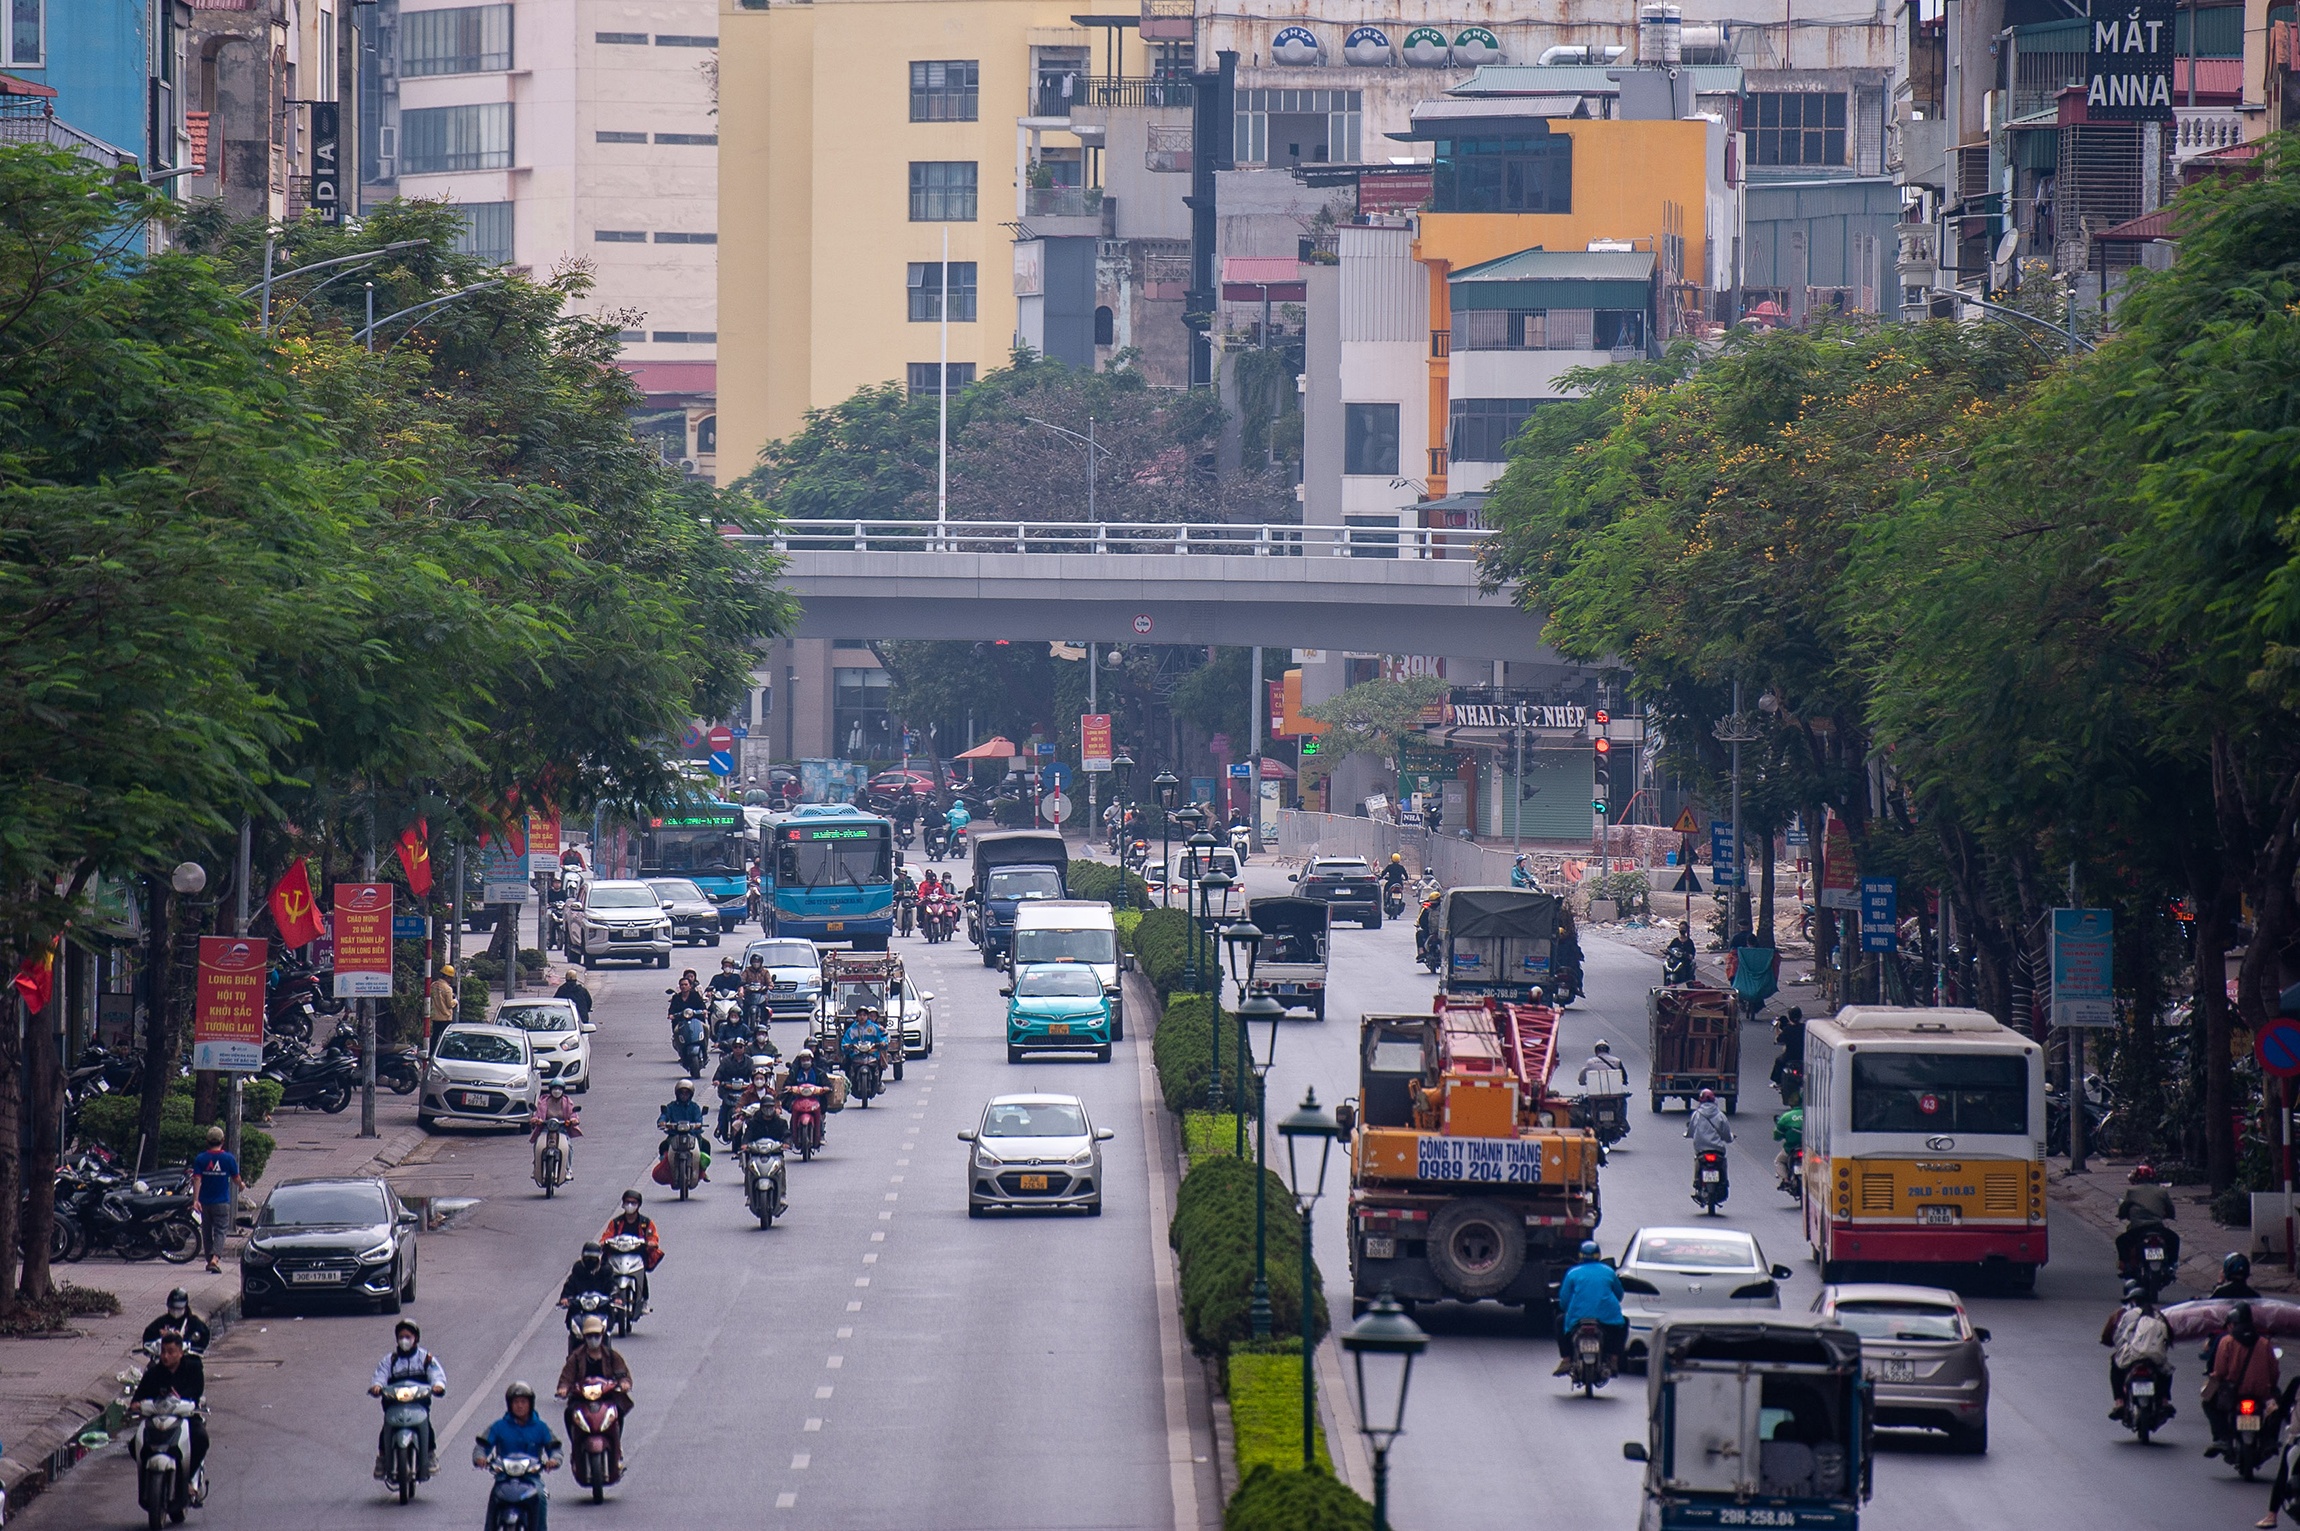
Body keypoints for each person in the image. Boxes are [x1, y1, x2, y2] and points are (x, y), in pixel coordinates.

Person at [473, 1381, 561, 1530]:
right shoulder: (499, 1426)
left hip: (531, 1479)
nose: (520, 1406)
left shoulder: (541, 1427)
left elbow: (555, 1449)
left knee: (540, 1497)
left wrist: (553, 1460)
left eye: (523, 1402)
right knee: (494, 1497)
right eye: (516, 1402)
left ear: (530, 1404)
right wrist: (480, 1458)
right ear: (510, 1404)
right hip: (504, 1477)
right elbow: (482, 1447)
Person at [555, 1317, 635, 1481]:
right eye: (590, 1335)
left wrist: (624, 1383)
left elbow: (623, 1374)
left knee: (618, 1412)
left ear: (602, 1335)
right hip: (582, 1399)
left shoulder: (611, 1356)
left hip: (607, 1398)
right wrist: (563, 1388)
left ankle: (617, 1450)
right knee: (569, 1414)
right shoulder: (576, 1357)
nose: (593, 1339)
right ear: (584, 1337)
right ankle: (575, 1449)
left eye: (596, 1335)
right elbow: (566, 1377)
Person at [370, 1319, 447, 1480]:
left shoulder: (425, 1358)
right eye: (401, 1336)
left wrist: (437, 1385)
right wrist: (377, 1386)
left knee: (428, 1427)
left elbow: (436, 1374)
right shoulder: (390, 1360)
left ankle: (430, 1455)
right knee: (386, 1429)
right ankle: (383, 1458)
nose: (404, 1340)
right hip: (394, 1403)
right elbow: (380, 1375)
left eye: (408, 1336)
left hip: (418, 1403)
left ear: (415, 1339)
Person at [131, 1329, 208, 1486]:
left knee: (201, 1439)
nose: (166, 1356)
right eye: (163, 1352)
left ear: (180, 1352)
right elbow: (138, 1397)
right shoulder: (153, 1373)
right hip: (158, 1418)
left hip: (185, 1417)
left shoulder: (193, 1368)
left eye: (171, 1352)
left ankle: (187, 1480)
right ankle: (148, 1478)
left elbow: (196, 1392)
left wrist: (184, 1400)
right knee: (134, 1446)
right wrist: (137, 1405)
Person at [2207, 1302, 2282, 1457]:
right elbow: (2274, 1371)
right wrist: (2271, 1388)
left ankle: (2221, 1438)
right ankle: (2269, 1440)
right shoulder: (2264, 1343)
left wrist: (2214, 1380)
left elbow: (2220, 1371)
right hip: (2261, 1393)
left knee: (2207, 1402)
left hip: (2234, 1394)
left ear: (2233, 1323)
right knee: (2278, 1409)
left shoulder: (2226, 1342)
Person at [1552, 1240, 1628, 1376]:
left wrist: (1567, 1309)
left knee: (1559, 1321)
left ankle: (1566, 1359)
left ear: (1580, 1256)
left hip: (1577, 1318)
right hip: (1607, 1318)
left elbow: (1564, 1301)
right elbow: (1619, 1295)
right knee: (1624, 1323)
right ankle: (1613, 1359)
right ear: (1598, 1255)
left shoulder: (1572, 1273)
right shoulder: (1608, 1272)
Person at [2100, 1281, 2172, 1421]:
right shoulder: (2159, 1315)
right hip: (2154, 1358)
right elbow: (2168, 1337)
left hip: (2131, 1356)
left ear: (2132, 1300)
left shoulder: (2125, 1315)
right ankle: (2164, 1401)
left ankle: (2119, 1402)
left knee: (2115, 1367)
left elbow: (2117, 1337)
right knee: (2167, 1372)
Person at [189, 1126, 241, 1274]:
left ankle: (209, 1258)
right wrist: (241, 1185)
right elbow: (236, 1178)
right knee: (220, 1231)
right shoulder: (228, 1158)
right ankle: (215, 1259)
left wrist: (195, 1200)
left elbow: (197, 1179)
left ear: (207, 1141)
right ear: (222, 1141)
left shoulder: (201, 1158)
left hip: (205, 1202)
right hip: (222, 1202)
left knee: (206, 1231)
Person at [2115, 1163, 2180, 1278]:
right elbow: (2170, 1209)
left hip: (2138, 1230)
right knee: (2174, 1239)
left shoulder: (2132, 1191)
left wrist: (2121, 1215)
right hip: (2157, 1228)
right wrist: (2169, 1215)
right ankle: (2172, 1265)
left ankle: (2126, 1266)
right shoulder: (2161, 1191)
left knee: (2121, 1241)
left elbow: (2124, 1209)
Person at [527, 1083, 582, 1182]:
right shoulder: (543, 1101)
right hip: (545, 1128)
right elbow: (537, 1113)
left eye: (559, 1089)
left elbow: (573, 1114)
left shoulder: (567, 1102)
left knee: (568, 1146)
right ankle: (536, 1167)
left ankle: (568, 1169)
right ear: (550, 1090)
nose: (557, 1091)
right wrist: (535, 1119)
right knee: (538, 1145)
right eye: (554, 1089)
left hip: (561, 1129)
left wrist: (573, 1120)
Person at [143, 1288, 212, 1354]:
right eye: (173, 1308)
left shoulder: (194, 1323)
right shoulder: (161, 1322)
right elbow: (148, 1337)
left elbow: (203, 1340)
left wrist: (191, 1348)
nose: (175, 1311)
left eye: (179, 1308)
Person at [713, 1037, 754, 1139]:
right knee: (724, 1108)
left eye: (740, 1047)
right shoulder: (726, 1060)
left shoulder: (749, 1061)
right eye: (735, 1047)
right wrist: (717, 1080)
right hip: (728, 1090)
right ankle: (720, 1126)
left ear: (744, 1048)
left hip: (744, 1091)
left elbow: (752, 1074)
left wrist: (754, 1083)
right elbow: (719, 1072)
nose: (738, 1049)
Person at [1772, 1102, 1805, 1194]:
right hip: (1810, 1148)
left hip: (1791, 1148)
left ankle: (1786, 1179)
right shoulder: (1812, 1114)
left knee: (1779, 1161)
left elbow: (1776, 1136)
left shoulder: (1786, 1117)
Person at [428, 964, 459, 1048]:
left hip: (435, 1016)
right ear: (448, 977)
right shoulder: (448, 989)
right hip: (445, 1017)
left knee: (435, 1036)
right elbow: (449, 1004)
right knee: (445, 1038)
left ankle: (431, 1052)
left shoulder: (433, 985)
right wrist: (455, 1001)